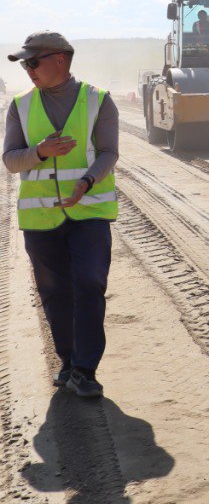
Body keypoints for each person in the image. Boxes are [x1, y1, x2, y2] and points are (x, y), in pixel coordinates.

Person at [2, 31, 119, 398]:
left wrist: (86, 181)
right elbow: (9, 160)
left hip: (89, 213)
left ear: (60, 59)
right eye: (24, 64)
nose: (28, 70)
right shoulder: (19, 106)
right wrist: (40, 151)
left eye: (33, 62)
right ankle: (68, 361)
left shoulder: (99, 101)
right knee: (55, 292)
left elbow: (108, 153)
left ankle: (85, 369)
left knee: (89, 283)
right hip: (40, 218)